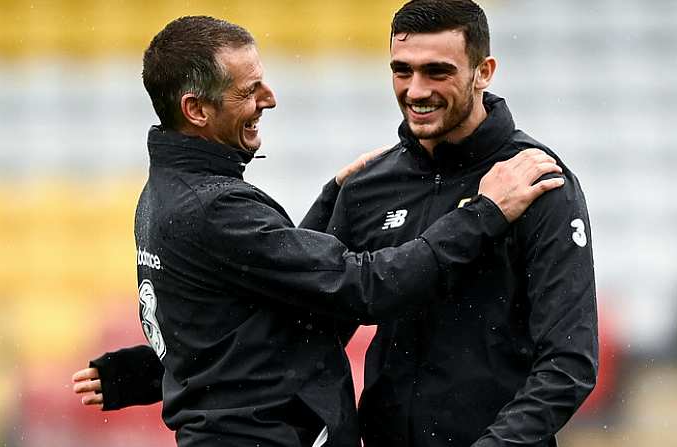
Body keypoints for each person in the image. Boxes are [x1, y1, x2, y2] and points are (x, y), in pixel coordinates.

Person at [73, 14, 565, 447]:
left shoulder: (162, 194)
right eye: (248, 90)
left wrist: (139, 375)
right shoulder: (216, 206)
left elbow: (251, 318)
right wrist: (484, 212)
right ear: (197, 110)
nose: (270, 98)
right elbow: (362, 289)